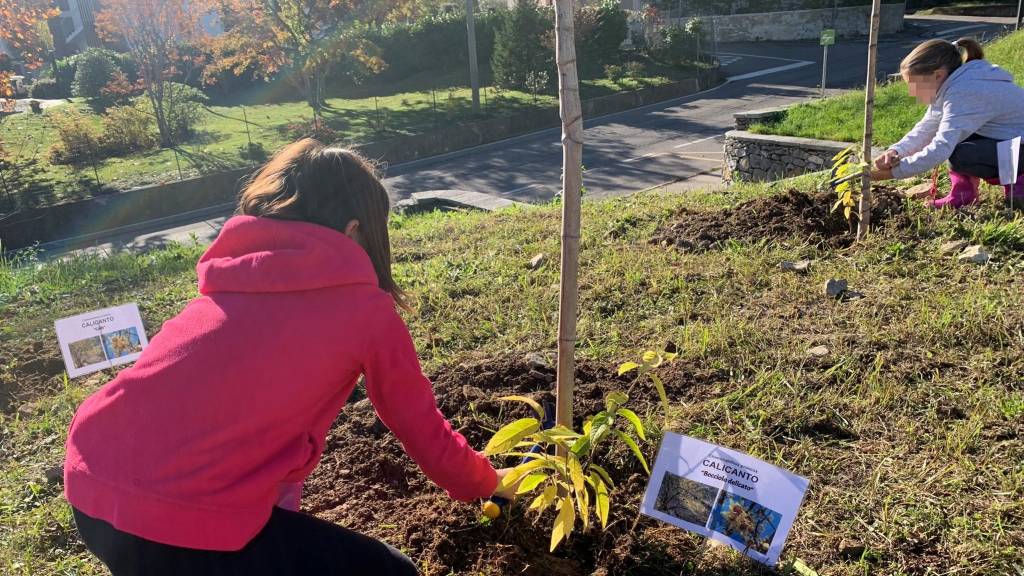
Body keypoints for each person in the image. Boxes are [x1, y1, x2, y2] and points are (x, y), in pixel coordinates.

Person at [64, 139, 516, 575]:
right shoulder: (364, 311)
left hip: (91, 479)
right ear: (354, 228)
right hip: (176, 520)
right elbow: (424, 433)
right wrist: (488, 482)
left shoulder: (232, 279)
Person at [871, 37, 1024, 208]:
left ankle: (1019, 183)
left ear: (938, 75)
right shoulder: (953, 85)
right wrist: (895, 151)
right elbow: (926, 129)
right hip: (1012, 142)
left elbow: (941, 146)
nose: (911, 92)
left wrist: (893, 173)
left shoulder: (965, 92)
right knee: (960, 142)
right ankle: (963, 195)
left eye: (913, 85)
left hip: (1019, 147)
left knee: (959, 152)